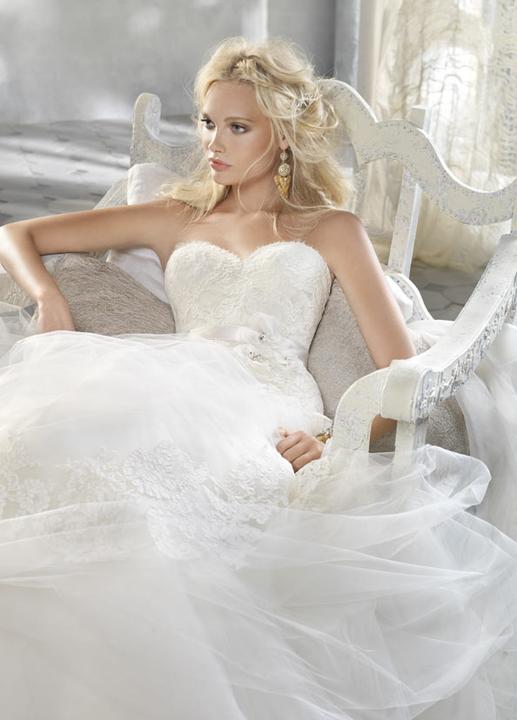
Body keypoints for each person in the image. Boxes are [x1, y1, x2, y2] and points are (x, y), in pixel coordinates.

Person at [0, 34, 516, 720]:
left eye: (238, 127)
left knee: (181, 503)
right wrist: (49, 297)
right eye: (207, 122)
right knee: (58, 445)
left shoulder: (330, 229)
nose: (213, 143)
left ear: (283, 138)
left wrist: (333, 438)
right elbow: (18, 235)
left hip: (270, 403)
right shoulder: (176, 215)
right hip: (174, 377)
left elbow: (398, 371)